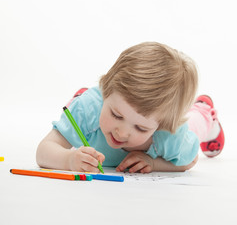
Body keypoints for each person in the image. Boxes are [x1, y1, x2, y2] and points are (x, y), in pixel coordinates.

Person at [36, 42, 224, 173]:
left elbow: (190, 161)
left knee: (196, 123)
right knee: (84, 106)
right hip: (91, 106)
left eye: (141, 128)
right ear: (106, 91)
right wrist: (68, 160)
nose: (122, 133)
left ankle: (205, 110)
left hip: (185, 124)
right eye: (116, 115)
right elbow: (44, 150)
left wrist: (153, 163)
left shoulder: (169, 135)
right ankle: (83, 96)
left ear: (160, 126)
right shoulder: (90, 109)